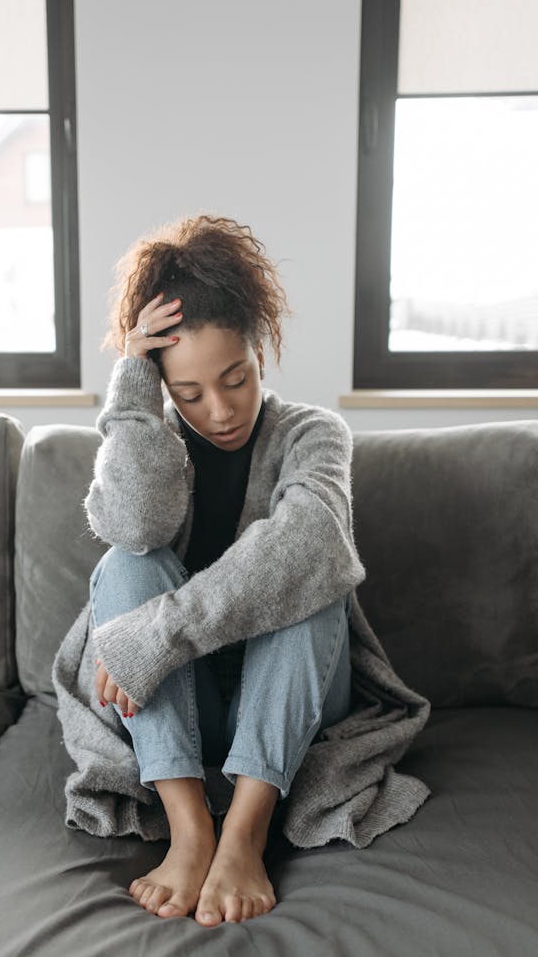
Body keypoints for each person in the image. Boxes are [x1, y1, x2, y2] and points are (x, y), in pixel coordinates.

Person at [51, 214, 432, 927]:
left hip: (289, 702)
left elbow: (313, 542)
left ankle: (246, 832)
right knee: (129, 559)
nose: (220, 410)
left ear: (261, 351)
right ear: (163, 384)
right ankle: (192, 827)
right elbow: (133, 524)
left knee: (311, 575)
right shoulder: (154, 435)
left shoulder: (314, 433)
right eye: (190, 393)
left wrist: (161, 634)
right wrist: (134, 383)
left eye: (236, 378)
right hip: (171, 711)